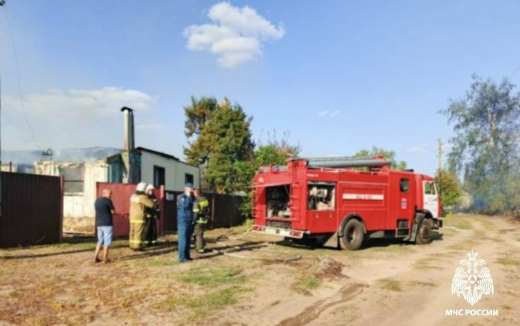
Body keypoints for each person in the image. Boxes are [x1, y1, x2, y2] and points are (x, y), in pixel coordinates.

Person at [129, 182, 155, 250]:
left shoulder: (133, 196)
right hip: (139, 216)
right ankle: (137, 246)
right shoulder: (143, 197)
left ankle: (132, 244)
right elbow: (151, 205)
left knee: (132, 231)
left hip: (132, 216)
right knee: (138, 232)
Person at [94, 189, 115, 263]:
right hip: (107, 223)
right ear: (104, 193)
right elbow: (113, 211)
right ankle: (105, 258)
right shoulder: (108, 201)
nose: (111, 195)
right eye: (110, 194)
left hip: (99, 224)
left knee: (100, 240)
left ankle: (95, 257)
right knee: (107, 241)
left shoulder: (97, 201)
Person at [177, 183, 194, 262]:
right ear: (187, 189)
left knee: (188, 239)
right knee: (183, 239)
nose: (192, 190)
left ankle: (187, 256)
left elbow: (193, 203)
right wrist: (188, 196)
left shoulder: (190, 197)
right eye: (191, 189)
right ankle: (182, 257)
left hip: (189, 220)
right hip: (183, 221)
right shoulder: (181, 197)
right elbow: (185, 205)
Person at [193, 188, 210, 253]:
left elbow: (196, 212)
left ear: (196, 193)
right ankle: (203, 246)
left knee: (198, 234)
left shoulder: (197, 201)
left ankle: (199, 248)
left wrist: (193, 221)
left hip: (199, 220)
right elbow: (207, 209)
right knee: (201, 233)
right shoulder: (205, 199)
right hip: (204, 219)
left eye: (194, 193)